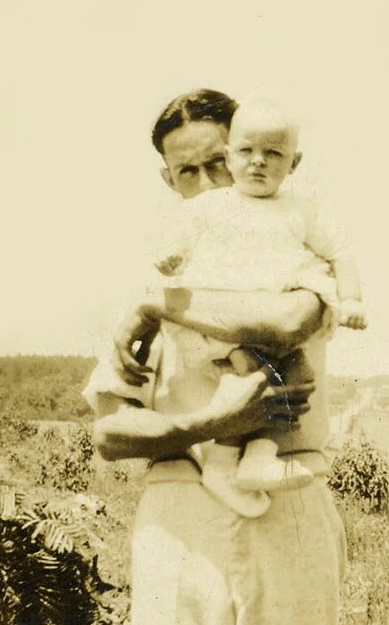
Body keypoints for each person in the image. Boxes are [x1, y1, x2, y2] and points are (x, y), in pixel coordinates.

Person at [84, 88, 347, 625]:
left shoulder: (299, 260)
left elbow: (291, 323)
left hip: (287, 514)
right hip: (179, 521)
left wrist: (164, 307)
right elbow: (109, 430)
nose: (206, 185)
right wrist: (209, 422)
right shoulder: (148, 281)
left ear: (250, 162)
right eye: (185, 170)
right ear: (169, 182)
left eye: (218, 163)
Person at [149, 95, 366, 515]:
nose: (257, 163)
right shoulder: (209, 210)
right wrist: (169, 264)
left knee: (294, 380)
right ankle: (225, 460)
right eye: (246, 153)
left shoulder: (298, 213)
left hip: (292, 504)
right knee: (250, 380)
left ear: (293, 162)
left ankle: (259, 457)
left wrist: (352, 298)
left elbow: (298, 311)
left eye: (272, 153)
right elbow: (177, 249)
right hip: (183, 495)